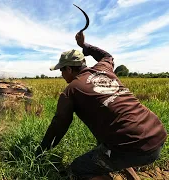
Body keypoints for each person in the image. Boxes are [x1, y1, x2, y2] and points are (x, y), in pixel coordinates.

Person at [36, 32, 167, 180]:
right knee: (107, 142)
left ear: (69, 69)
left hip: (134, 148)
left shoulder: (71, 90)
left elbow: (58, 125)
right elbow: (107, 55)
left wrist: (41, 151)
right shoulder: (103, 69)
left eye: (61, 70)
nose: (61, 74)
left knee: (79, 169)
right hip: (157, 134)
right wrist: (85, 46)